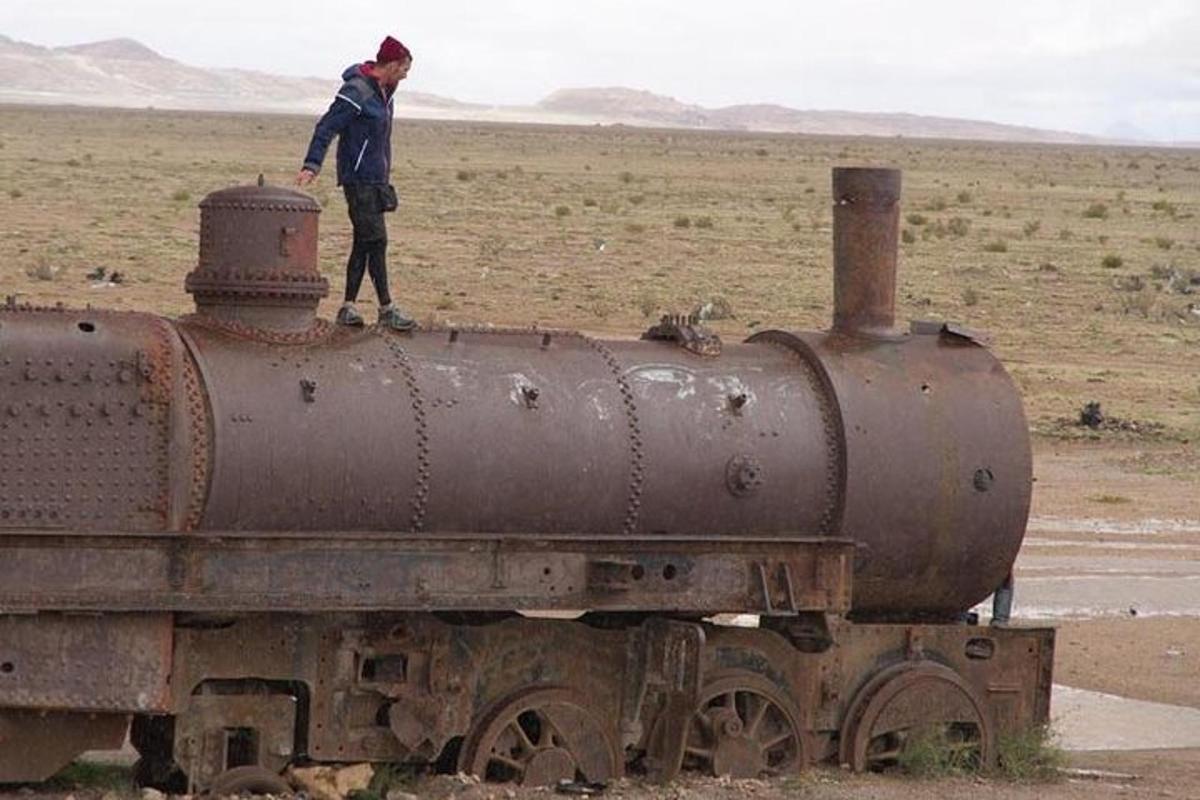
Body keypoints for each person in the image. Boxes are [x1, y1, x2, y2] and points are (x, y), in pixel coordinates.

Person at [297, 36, 415, 330]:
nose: (406, 75)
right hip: (358, 179)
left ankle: (348, 307)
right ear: (390, 64)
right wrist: (312, 165)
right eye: (404, 69)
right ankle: (386, 308)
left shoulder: (386, 93)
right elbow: (327, 127)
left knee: (364, 243)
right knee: (376, 240)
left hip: (376, 180)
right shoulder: (357, 91)